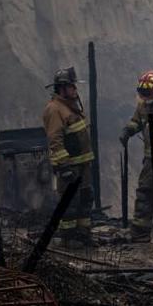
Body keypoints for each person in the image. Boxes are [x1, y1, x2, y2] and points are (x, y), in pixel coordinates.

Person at [41, 66, 95, 249]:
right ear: (62, 88)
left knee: (85, 199)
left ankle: (83, 234)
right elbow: (55, 140)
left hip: (82, 166)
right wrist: (64, 166)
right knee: (70, 203)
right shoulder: (54, 109)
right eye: (72, 86)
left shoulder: (70, 107)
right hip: (69, 167)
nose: (75, 89)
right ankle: (68, 238)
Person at [119, 69, 153, 242]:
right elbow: (137, 122)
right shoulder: (143, 106)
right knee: (145, 193)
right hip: (149, 160)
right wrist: (127, 131)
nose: (146, 98)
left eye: (148, 94)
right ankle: (140, 232)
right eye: (143, 95)